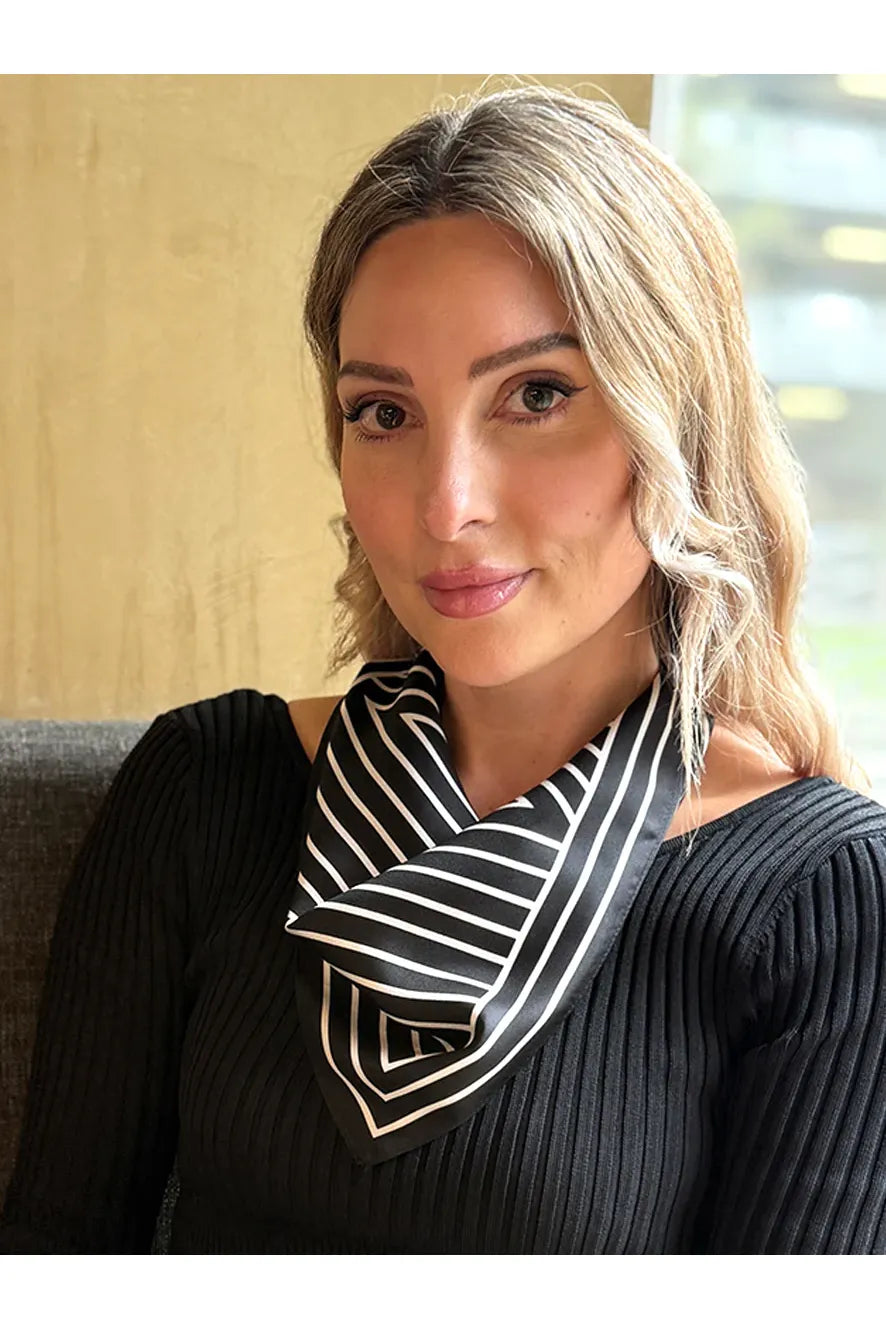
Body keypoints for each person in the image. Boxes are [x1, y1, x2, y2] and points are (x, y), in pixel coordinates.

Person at [2, 82, 885, 1255]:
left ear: (679, 423)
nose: (445, 505)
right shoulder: (208, 785)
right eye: (382, 413)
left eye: (537, 395)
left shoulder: (826, 901)